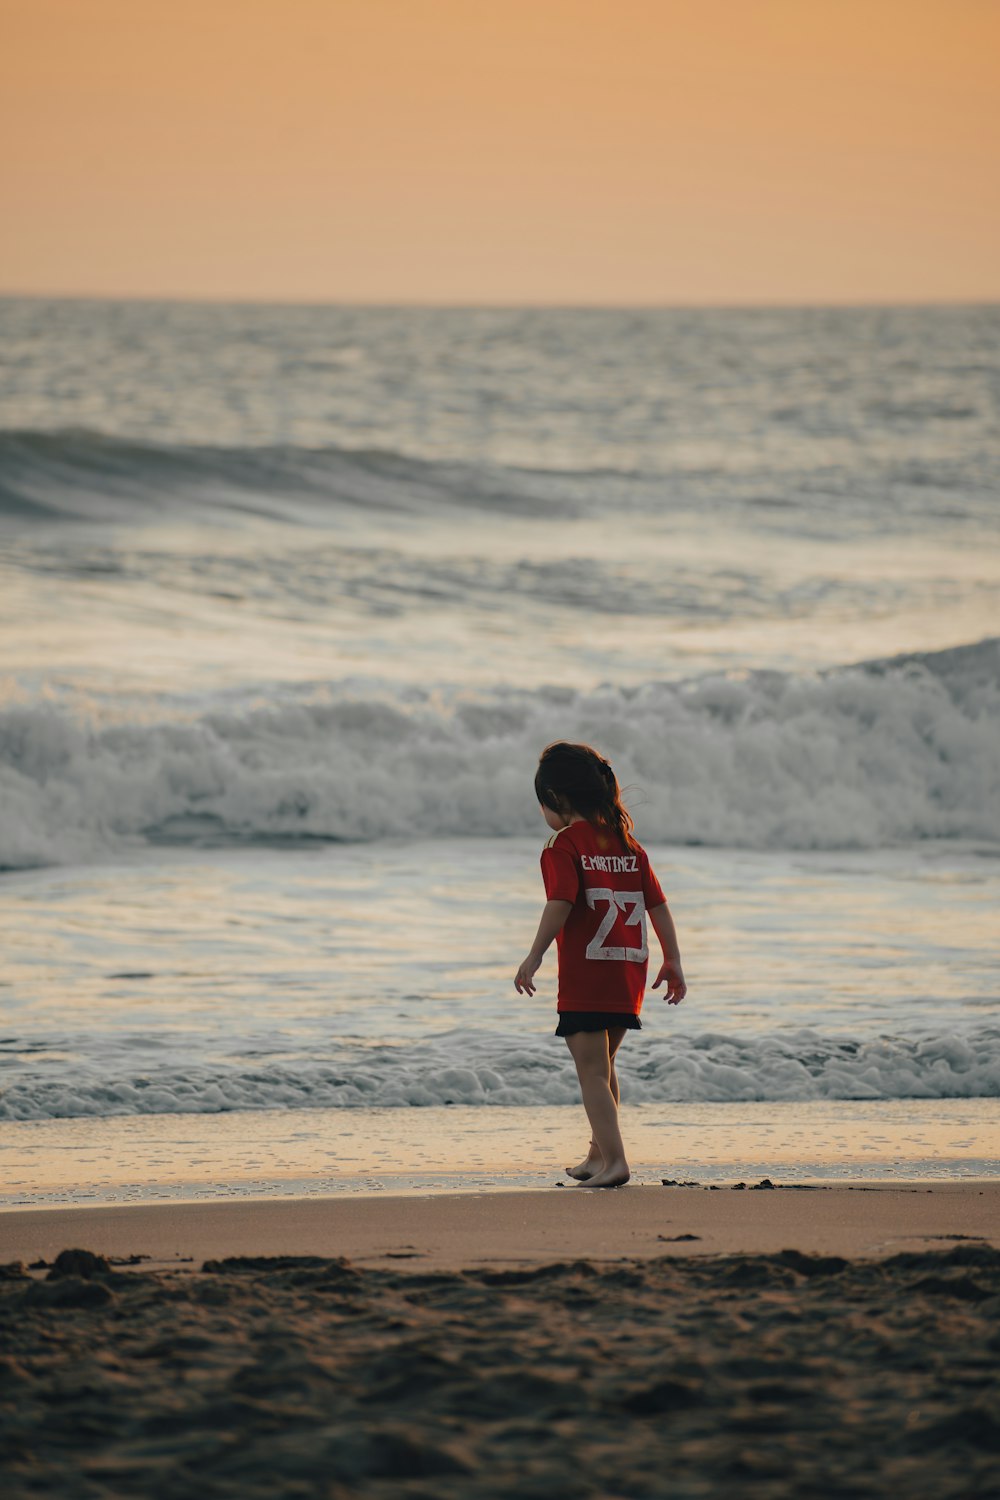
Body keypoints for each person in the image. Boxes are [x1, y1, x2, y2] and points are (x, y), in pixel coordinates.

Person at [514, 741, 686, 1188]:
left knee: (590, 1072)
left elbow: (560, 902)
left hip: (588, 974)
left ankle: (616, 1162)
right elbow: (659, 906)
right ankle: (597, 1156)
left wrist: (534, 956)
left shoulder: (562, 844)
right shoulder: (627, 843)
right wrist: (673, 959)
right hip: (627, 971)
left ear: (557, 799)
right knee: (604, 1068)